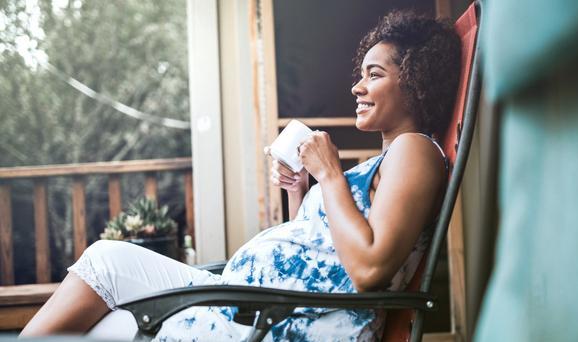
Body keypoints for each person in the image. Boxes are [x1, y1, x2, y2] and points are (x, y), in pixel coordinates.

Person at [20, 9, 460, 341]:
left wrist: (330, 176)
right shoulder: (388, 158)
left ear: (416, 82)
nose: (356, 87)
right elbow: (319, 255)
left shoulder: (415, 150)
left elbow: (369, 270)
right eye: (360, 75)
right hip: (259, 302)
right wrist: (301, 190)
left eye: (374, 75)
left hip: (280, 319)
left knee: (108, 284)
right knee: (107, 285)